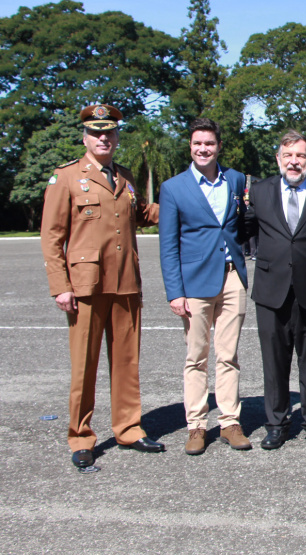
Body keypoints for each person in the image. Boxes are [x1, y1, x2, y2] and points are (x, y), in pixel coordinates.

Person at [40, 104, 164, 469]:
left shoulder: (123, 176)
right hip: (85, 287)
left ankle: (128, 428)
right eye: (96, 133)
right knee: (85, 365)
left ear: (117, 137)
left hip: (126, 281)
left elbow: (142, 213)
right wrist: (60, 286)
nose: (104, 138)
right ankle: (80, 436)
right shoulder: (66, 178)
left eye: (109, 132)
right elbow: (52, 237)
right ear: (85, 138)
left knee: (127, 362)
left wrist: (182, 205)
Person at [158, 117, 251, 455]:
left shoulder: (236, 179)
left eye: (209, 144)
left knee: (229, 355)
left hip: (231, 278)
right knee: (196, 357)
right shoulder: (173, 187)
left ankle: (229, 421)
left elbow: (240, 225)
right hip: (194, 282)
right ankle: (196, 425)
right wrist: (174, 292)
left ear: (218, 147)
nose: (203, 149)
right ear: (190, 146)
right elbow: (168, 244)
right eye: (197, 144)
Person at [244, 130, 306, 450]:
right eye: (288, 156)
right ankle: (276, 423)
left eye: (300, 156)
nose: (294, 162)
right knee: (274, 362)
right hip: (271, 290)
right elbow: (244, 229)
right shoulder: (259, 191)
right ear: (278, 159)